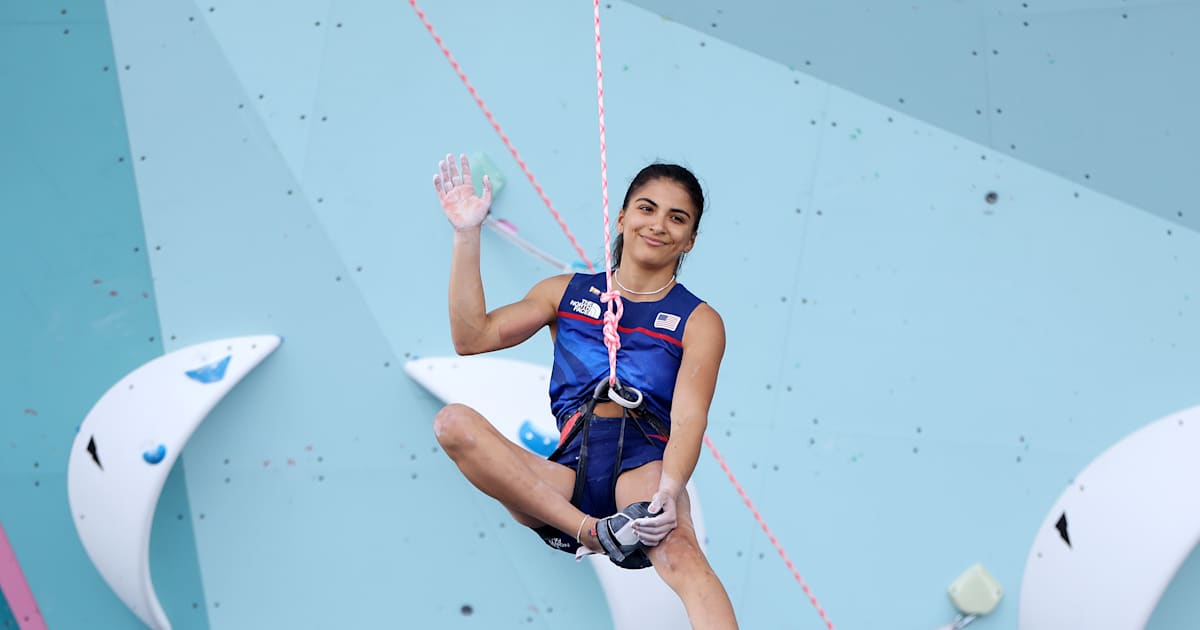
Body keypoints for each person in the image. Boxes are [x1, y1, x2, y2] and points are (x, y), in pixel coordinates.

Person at [430, 153, 737, 629]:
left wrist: (670, 490)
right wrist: (466, 233)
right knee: (452, 423)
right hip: (567, 478)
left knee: (681, 553)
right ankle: (591, 532)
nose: (658, 225)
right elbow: (472, 337)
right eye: (647, 208)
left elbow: (690, 417)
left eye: (678, 218)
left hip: (644, 469)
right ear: (623, 217)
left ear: (691, 238)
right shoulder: (565, 293)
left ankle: (625, 527)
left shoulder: (699, 321)